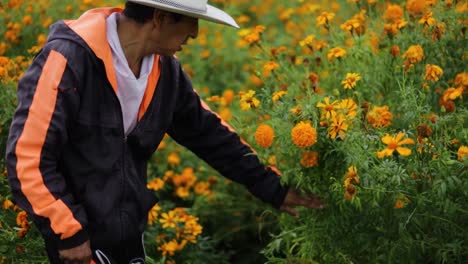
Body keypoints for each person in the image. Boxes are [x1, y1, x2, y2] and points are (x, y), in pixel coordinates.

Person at [5, 0, 324, 263]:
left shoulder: (164, 70)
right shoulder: (69, 58)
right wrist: (68, 232)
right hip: (80, 243)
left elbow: (208, 133)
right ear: (159, 17)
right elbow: (27, 157)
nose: (196, 33)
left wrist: (272, 186)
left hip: (128, 237)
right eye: (190, 21)